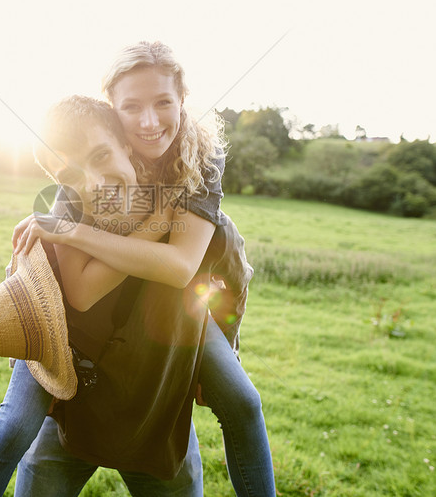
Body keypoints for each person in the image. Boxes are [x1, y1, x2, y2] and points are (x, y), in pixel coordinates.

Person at [14, 42, 275, 496]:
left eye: (163, 103)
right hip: (106, 312)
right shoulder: (95, 156)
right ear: (111, 112)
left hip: (180, 297)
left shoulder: (199, 156)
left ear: (182, 101)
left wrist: (73, 234)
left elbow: (179, 267)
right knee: (16, 424)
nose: (150, 122)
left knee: (242, 402)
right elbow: (78, 283)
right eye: (131, 107)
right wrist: (60, 221)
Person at [0, 97, 209, 496]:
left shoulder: (178, 191)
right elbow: (83, 292)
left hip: (150, 408)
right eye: (71, 175)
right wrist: (158, 218)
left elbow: (188, 268)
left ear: (127, 143)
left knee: (242, 403)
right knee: (13, 428)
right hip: (71, 384)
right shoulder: (66, 206)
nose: (94, 182)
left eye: (102, 155)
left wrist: (162, 212)